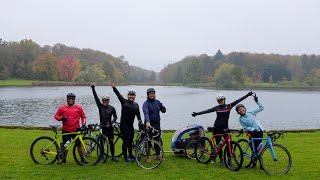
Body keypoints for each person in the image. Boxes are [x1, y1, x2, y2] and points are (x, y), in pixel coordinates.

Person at [191, 92, 253, 164]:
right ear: (218, 101)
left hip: (225, 128)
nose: (221, 101)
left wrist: (247, 95)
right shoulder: (217, 108)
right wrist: (197, 114)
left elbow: (238, 100)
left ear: (224, 99)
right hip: (217, 128)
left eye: (222, 100)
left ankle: (229, 160)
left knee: (229, 144)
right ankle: (221, 159)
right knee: (219, 145)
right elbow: (207, 111)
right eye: (219, 100)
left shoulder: (229, 106)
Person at [110, 82, 143, 162]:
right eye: (130, 95)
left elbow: (138, 114)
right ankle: (125, 157)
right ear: (128, 96)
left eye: (133, 95)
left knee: (130, 141)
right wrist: (114, 88)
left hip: (130, 126)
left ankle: (130, 155)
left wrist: (140, 121)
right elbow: (118, 95)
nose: (131, 96)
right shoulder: (124, 102)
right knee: (125, 141)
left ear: (135, 96)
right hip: (124, 126)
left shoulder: (136, 105)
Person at [54, 93, 87, 164]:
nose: (71, 100)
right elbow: (56, 116)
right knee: (66, 145)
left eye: (72, 99)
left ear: (75, 99)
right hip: (66, 130)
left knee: (79, 145)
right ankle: (63, 159)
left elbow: (83, 117)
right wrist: (61, 118)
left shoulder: (79, 108)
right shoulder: (62, 108)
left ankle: (82, 159)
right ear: (67, 99)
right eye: (69, 99)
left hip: (76, 130)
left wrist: (83, 124)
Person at [91, 84, 118, 162]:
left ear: (108, 101)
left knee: (111, 142)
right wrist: (93, 88)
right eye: (103, 100)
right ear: (102, 101)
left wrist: (111, 123)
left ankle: (113, 156)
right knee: (102, 142)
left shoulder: (112, 108)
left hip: (109, 127)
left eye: (106, 100)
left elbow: (115, 117)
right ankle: (102, 156)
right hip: (102, 126)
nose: (105, 102)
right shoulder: (100, 106)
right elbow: (95, 97)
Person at [236, 93, 264, 166]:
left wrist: (257, 101)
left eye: (242, 108)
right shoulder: (240, 119)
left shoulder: (251, 112)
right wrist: (251, 129)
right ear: (238, 112)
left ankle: (261, 164)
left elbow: (261, 108)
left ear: (244, 108)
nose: (241, 110)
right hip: (251, 133)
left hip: (259, 131)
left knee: (259, 148)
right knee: (253, 148)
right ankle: (253, 162)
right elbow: (245, 127)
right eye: (239, 110)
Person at [142, 88, 166, 162]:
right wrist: (147, 122)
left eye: (153, 93)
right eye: (150, 94)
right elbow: (146, 113)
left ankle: (158, 155)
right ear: (147, 95)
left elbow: (163, 110)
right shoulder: (145, 104)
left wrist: (163, 108)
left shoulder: (158, 102)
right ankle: (148, 156)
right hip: (149, 124)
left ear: (155, 94)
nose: (151, 95)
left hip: (157, 124)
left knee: (157, 140)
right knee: (148, 140)